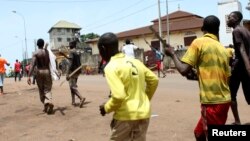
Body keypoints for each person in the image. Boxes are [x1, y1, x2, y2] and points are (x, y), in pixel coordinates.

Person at [164, 15, 231, 141]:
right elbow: (223, 76)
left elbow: (183, 70)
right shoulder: (223, 49)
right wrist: (198, 75)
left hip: (212, 102)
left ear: (203, 29)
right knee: (199, 133)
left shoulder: (198, 43)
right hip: (224, 100)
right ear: (217, 30)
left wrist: (172, 54)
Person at [98, 32, 159, 141]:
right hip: (144, 114)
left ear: (103, 49)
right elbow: (154, 80)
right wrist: (144, 100)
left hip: (126, 116)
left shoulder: (111, 66)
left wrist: (106, 108)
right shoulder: (136, 62)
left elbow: (119, 95)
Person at [227, 11, 250, 125]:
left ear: (236, 19)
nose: (228, 19)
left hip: (240, 67)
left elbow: (242, 50)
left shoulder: (236, 30)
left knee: (231, 94)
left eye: (230, 18)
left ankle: (237, 121)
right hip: (245, 66)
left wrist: (248, 68)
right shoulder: (245, 30)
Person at [27, 39, 54, 115]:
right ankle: (48, 103)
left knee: (41, 90)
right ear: (43, 44)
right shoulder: (47, 52)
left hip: (39, 72)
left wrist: (29, 76)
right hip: (47, 71)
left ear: (37, 44)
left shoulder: (36, 53)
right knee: (47, 89)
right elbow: (52, 62)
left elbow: (32, 65)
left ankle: (46, 103)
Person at [60, 40, 85, 107]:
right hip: (78, 70)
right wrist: (65, 55)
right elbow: (72, 59)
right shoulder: (77, 51)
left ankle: (81, 98)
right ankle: (73, 101)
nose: (69, 45)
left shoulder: (71, 51)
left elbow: (70, 63)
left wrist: (67, 73)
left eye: (70, 44)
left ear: (73, 45)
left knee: (72, 86)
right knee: (73, 86)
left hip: (72, 71)